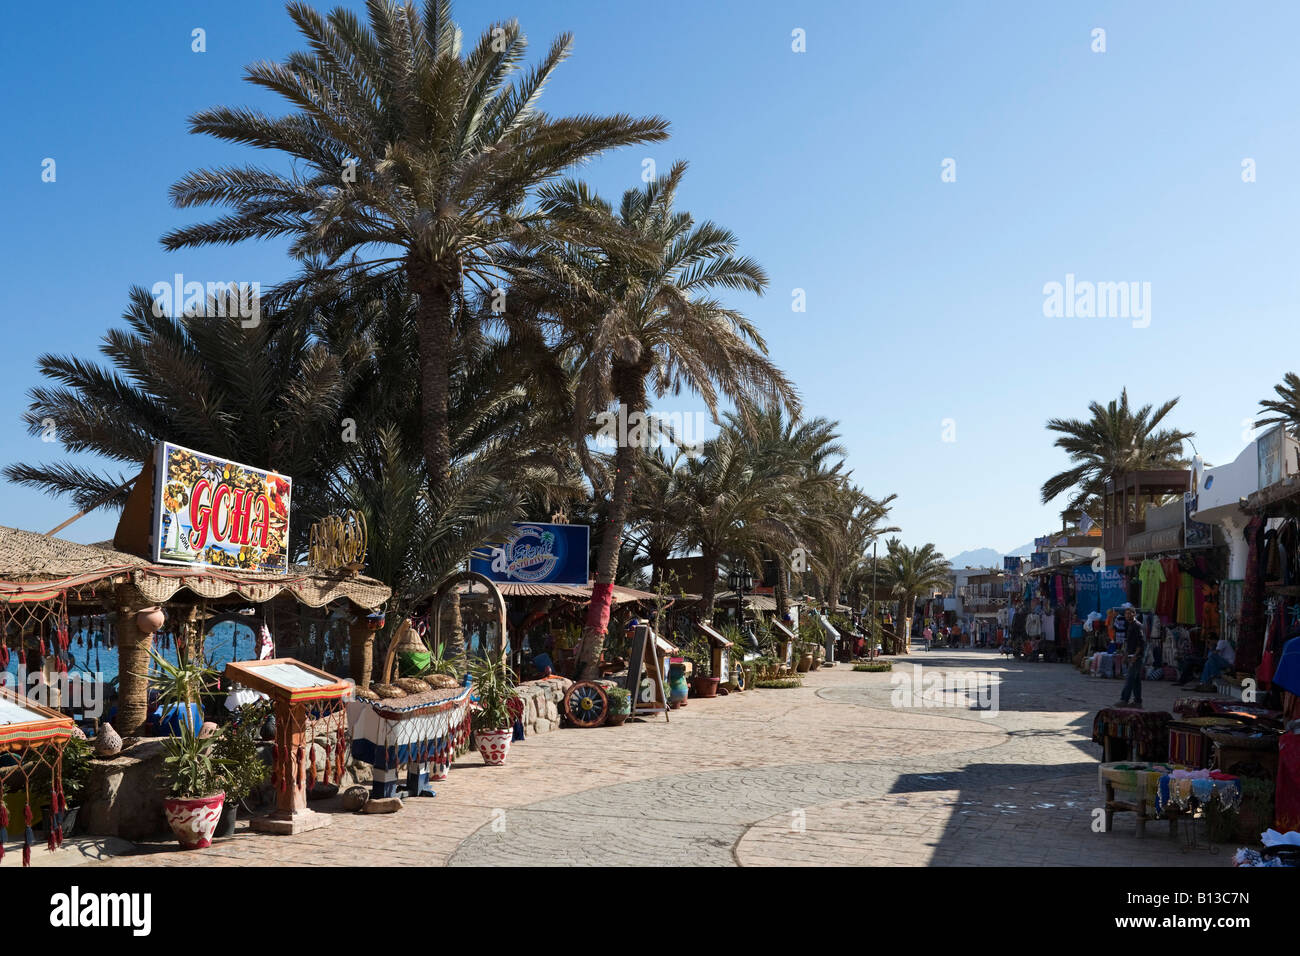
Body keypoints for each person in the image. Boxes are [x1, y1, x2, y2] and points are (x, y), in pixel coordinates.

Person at [1115, 605, 1146, 709]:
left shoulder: (1138, 625)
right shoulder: (1129, 625)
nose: (1127, 615)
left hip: (1136, 657)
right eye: (1126, 614)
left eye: (1129, 613)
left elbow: (1141, 644)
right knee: (1136, 680)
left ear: (1134, 614)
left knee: (1129, 679)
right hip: (1131, 655)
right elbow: (1129, 643)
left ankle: (1124, 699)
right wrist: (1125, 655)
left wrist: (1135, 656)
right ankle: (1138, 702)